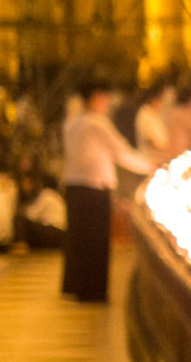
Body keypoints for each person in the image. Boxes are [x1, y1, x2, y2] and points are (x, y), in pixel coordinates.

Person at [62, 85, 153, 301]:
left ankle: (76, 286)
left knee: (77, 240)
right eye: (105, 98)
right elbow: (121, 152)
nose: (107, 103)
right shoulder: (96, 123)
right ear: (96, 96)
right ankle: (93, 291)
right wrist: (151, 166)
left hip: (74, 186)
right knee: (95, 243)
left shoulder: (71, 122)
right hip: (94, 187)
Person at [18, 174, 68, 250]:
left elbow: (30, 215)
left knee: (20, 221)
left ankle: (19, 249)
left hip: (55, 232)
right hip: (62, 234)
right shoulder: (54, 195)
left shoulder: (46, 194)